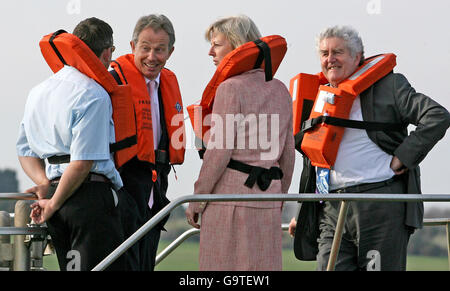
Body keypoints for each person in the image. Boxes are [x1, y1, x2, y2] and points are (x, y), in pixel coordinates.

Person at [289, 25, 450, 271]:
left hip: (380, 205)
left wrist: (403, 157)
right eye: (324, 53)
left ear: (357, 56)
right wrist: (305, 214)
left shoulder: (390, 86)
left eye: (338, 52)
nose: (330, 59)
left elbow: (437, 116)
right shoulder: (318, 98)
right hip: (331, 209)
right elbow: (313, 164)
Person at [185, 15, 295, 271]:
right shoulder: (280, 89)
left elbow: (219, 152)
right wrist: (278, 196)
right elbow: (288, 155)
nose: (211, 52)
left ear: (237, 45)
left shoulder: (230, 88)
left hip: (229, 201)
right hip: (268, 199)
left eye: (216, 44)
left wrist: (197, 198)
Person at [16, 17, 126, 271]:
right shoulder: (93, 94)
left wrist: (46, 186)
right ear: (108, 51)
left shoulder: (38, 92)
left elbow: (24, 151)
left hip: (55, 193)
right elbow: (83, 161)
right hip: (87, 199)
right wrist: (52, 205)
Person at [109, 14, 185, 271]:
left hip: (156, 188)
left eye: (160, 50)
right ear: (132, 47)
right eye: (145, 48)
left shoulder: (169, 83)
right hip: (123, 185)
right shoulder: (113, 82)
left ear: (171, 52)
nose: (152, 57)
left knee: (146, 263)